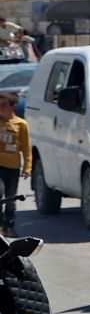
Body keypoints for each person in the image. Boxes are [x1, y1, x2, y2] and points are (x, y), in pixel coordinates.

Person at [0, 93, 28, 236]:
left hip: (13, 167)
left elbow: (26, 147)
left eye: (4, 105)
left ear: (13, 107)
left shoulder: (21, 124)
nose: (1, 108)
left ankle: (9, 226)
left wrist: (27, 167)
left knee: (11, 198)